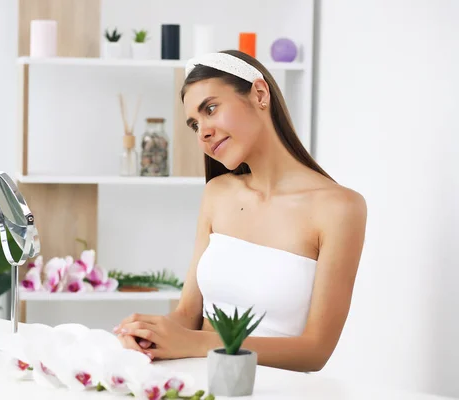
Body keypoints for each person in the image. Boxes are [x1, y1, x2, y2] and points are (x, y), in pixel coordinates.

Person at [113, 49, 367, 373]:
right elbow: (187, 313)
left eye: (211, 108)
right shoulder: (217, 194)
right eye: (195, 124)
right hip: (197, 383)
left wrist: (196, 343)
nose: (203, 131)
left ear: (260, 94)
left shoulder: (339, 208)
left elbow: (315, 351)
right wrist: (151, 334)